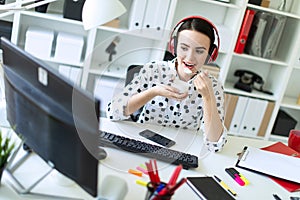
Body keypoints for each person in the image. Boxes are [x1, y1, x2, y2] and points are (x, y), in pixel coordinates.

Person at [106, 16, 227, 152]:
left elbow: (215, 144)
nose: (190, 57)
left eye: (199, 51)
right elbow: (113, 112)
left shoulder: (213, 86)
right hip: (143, 144)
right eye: (184, 48)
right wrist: (153, 92)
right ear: (174, 46)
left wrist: (208, 97)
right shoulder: (153, 70)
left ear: (211, 54)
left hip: (181, 151)